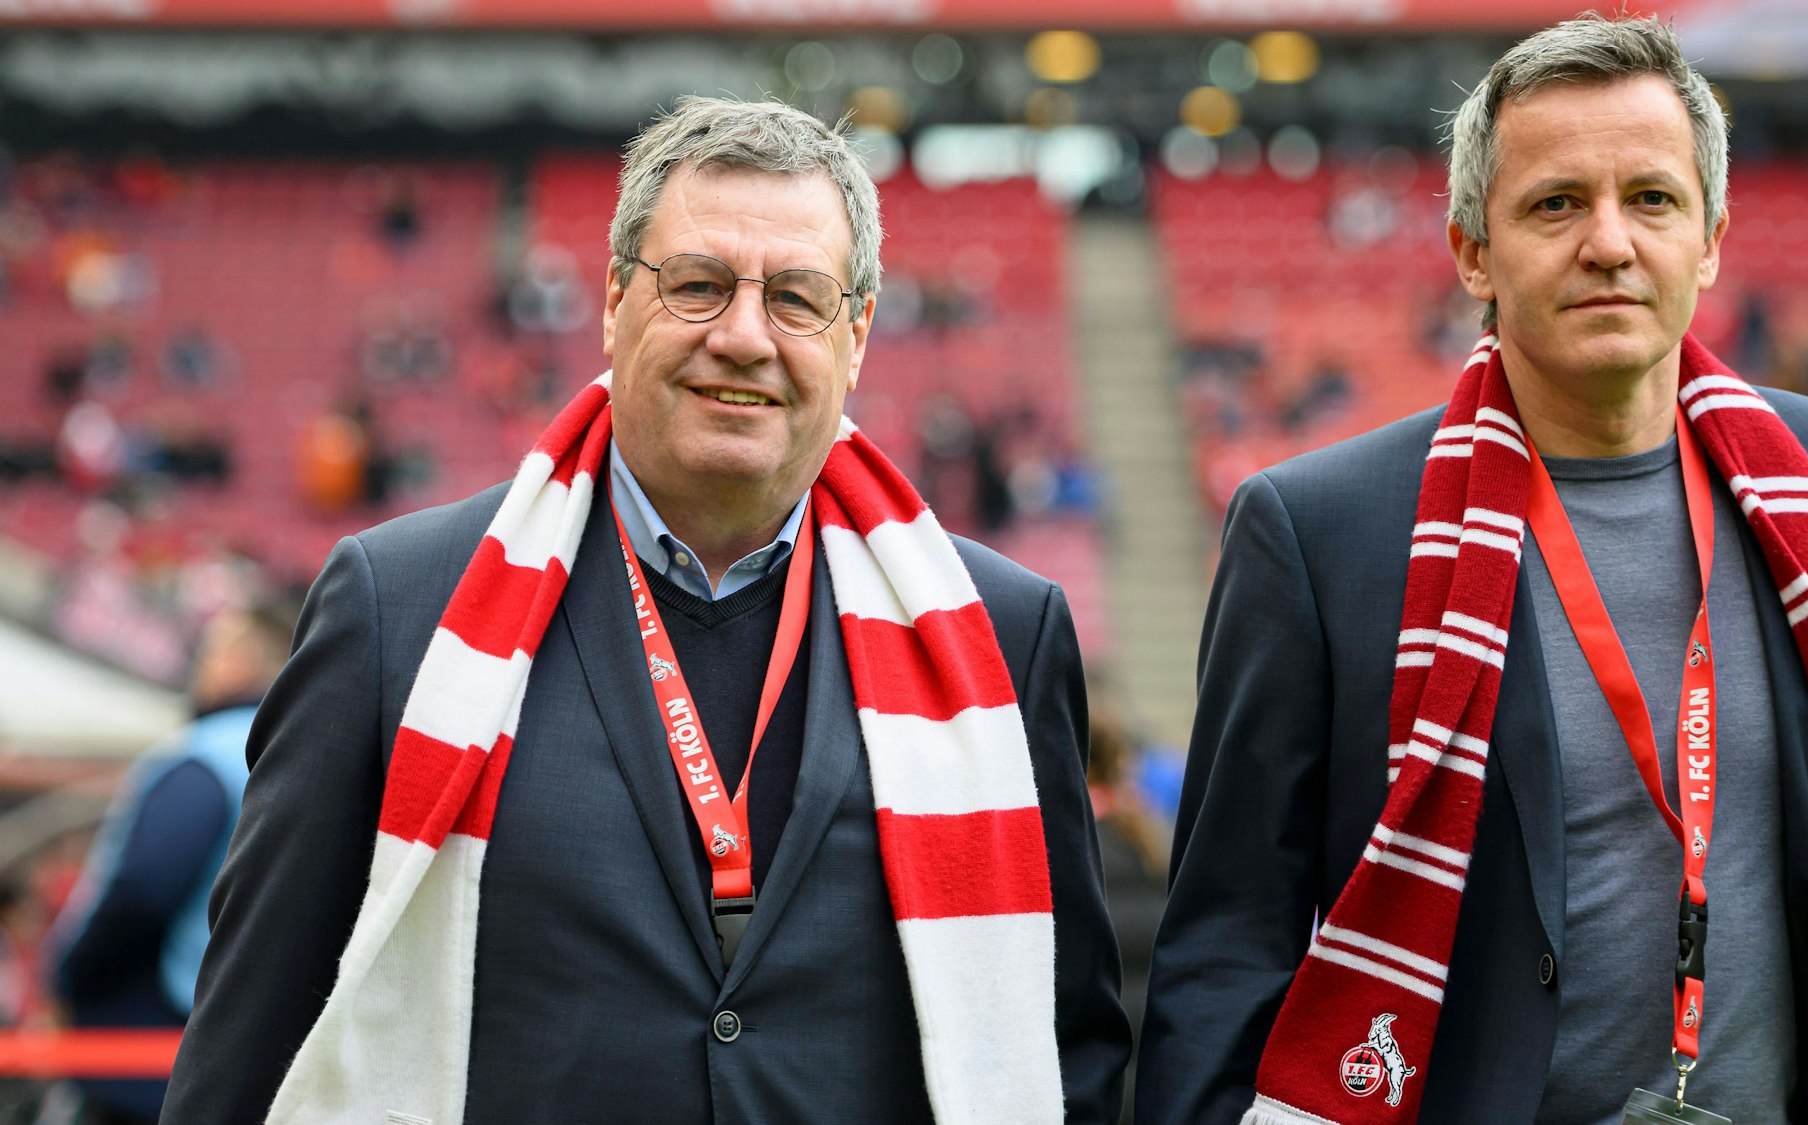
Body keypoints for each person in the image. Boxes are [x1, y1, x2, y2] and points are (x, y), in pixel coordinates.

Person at [161, 98, 1127, 1124]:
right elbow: (252, 1041)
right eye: (699, 286)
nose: (744, 337)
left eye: (795, 299)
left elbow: (1066, 1051)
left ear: (855, 335)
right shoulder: (397, 609)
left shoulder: (1001, 637)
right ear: (616, 301)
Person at [1139, 16, 1808, 1125]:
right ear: (1471, 252)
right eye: (1555, 204)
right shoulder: (1314, 533)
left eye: (1649, 199)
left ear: (1709, 239)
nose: (1607, 242)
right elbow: (1226, 936)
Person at [47, 599, 296, 1124]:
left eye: (212, 650)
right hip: (248, 1039)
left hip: (152, 1040)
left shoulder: (206, 756)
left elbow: (140, 886)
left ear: (240, 663)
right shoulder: (302, 755)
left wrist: (74, 975)